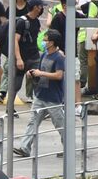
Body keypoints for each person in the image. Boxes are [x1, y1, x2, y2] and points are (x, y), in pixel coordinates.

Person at [14, 30, 68, 158]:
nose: (43, 42)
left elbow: (59, 75)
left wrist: (41, 74)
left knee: (61, 124)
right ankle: (25, 147)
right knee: (32, 122)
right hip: (40, 95)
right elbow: (40, 71)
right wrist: (33, 73)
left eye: (46, 40)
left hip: (53, 98)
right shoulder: (44, 55)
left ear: (52, 42)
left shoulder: (59, 58)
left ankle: (68, 148)